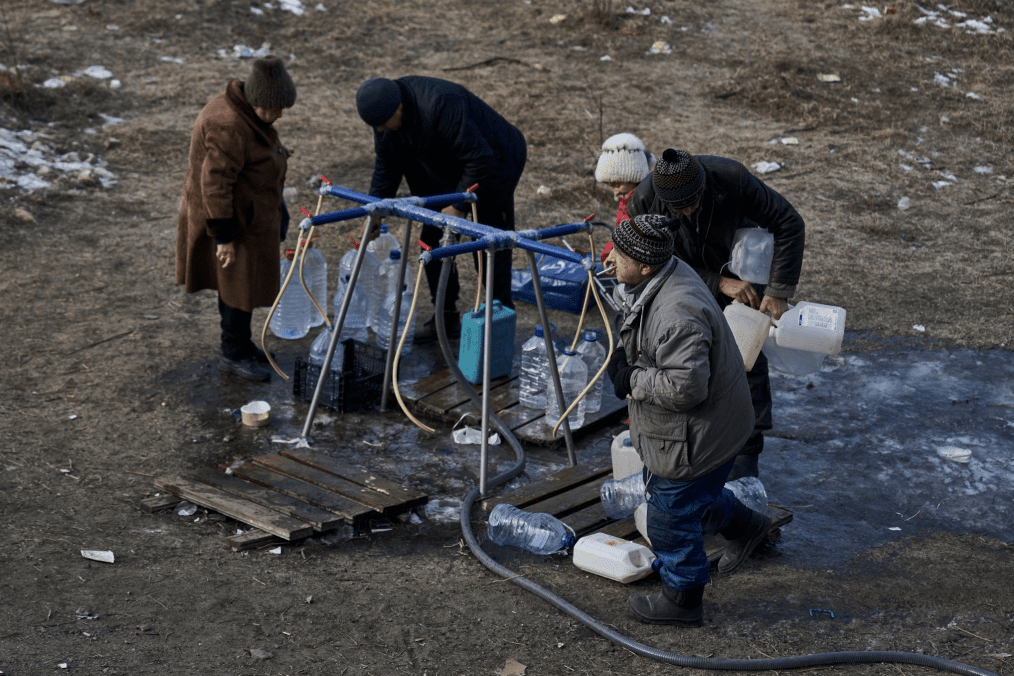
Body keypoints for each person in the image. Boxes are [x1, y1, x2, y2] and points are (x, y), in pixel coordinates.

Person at [605, 214, 771, 627]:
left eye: (620, 255)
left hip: (701, 432)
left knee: (670, 515)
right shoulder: (664, 271)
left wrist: (631, 379)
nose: (611, 259)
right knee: (698, 496)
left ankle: (683, 599)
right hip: (719, 423)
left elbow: (685, 388)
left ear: (646, 266)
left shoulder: (677, 313)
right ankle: (747, 527)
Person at [626, 148, 806, 480]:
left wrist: (778, 290)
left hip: (741, 270)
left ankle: (746, 452)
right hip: (681, 286)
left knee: (745, 361)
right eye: (679, 207)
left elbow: (788, 222)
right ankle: (689, 446)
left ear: (704, 186)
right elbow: (648, 263)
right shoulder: (645, 201)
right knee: (687, 363)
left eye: (693, 202)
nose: (688, 211)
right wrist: (715, 282)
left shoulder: (731, 179)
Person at [355, 76, 527, 342]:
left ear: (399, 107)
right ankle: (445, 320)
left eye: (383, 123)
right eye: (376, 126)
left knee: (489, 245)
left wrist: (458, 205)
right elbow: (387, 165)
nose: (380, 130)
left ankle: (500, 324)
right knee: (433, 241)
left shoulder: (440, 104)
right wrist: (374, 211)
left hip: (496, 160)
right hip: (446, 163)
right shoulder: (384, 115)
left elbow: (480, 159)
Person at [175, 56, 296, 381]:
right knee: (237, 284)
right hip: (230, 218)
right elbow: (215, 184)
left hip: (248, 213)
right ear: (258, 101)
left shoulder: (247, 114)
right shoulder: (227, 125)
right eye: (276, 108)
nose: (280, 115)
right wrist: (224, 237)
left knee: (244, 283)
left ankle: (241, 344)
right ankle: (233, 354)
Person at [594, 132, 656, 227]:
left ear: (633, 178)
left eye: (618, 185)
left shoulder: (645, 206)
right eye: (612, 186)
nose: (615, 193)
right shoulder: (627, 202)